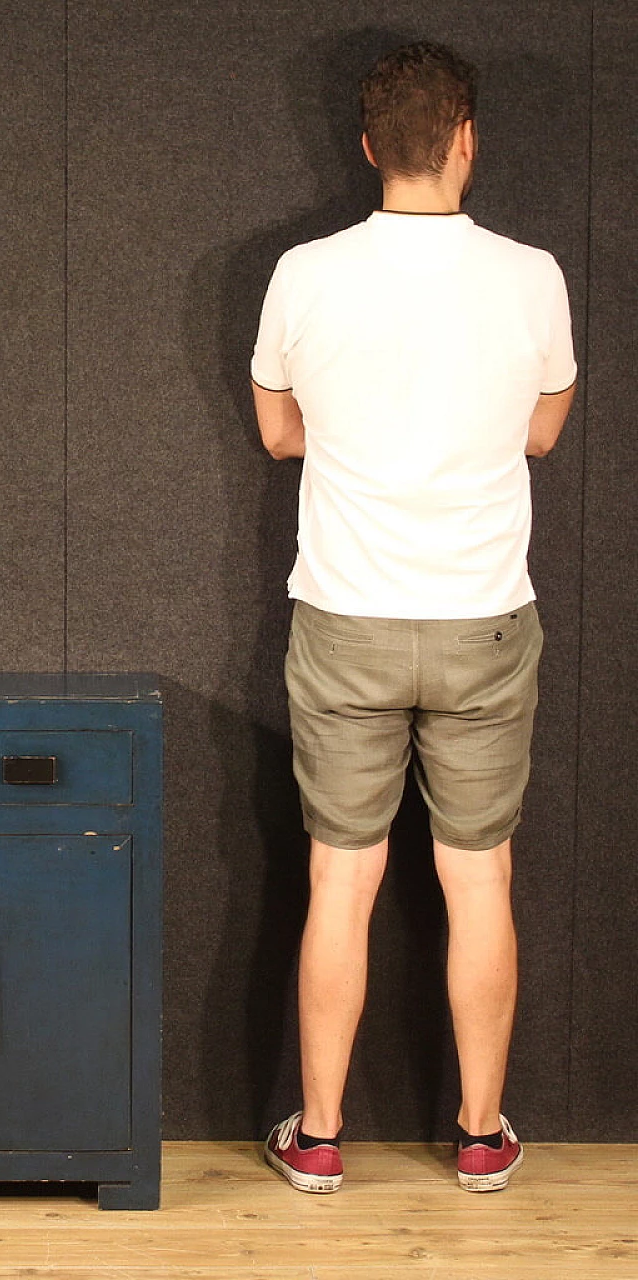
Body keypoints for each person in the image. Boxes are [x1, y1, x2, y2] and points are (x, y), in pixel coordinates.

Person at [250, 41, 576, 1194]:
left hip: (343, 615)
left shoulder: (300, 273)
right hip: (484, 616)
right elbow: (540, 432)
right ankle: (480, 1132)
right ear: (465, 140)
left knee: (339, 876)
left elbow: (278, 433)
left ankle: (322, 1133)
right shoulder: (532, 275)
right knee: (476, 875)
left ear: (366, 147)